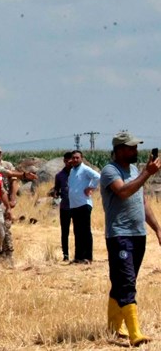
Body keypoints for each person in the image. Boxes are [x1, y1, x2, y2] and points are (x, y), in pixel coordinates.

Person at [100, 131, 161, 345]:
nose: (135, 150)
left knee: (123, 281)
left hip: (138, 235)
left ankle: (114, 327)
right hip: (119, 235)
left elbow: (141, 201)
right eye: (131, 148)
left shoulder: (134, 169)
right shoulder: (109, 171)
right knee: (126, 282)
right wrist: (146, 174)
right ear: (119, 150)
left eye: (136, 147)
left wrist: (157, 228)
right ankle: (135, 334)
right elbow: (123, 192)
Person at [0, 145, 38, 259]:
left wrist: (12, 198)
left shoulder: (6, 165)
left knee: (5, 226)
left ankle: (8, 252)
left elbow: (13, 180)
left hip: (4, 198)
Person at [68, 149, 101, 264]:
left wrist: (91, 187)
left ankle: (88, 257)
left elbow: (98, 176)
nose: (75, 160)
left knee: (85, 231)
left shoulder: (85, 169)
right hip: (74, 205)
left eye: (77, 158)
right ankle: (78, 257)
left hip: (84, 204)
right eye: (74, 158)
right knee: (77, 231)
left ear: (81, 158)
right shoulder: (72, 171)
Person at [50, 151, 75, 261]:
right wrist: (55, 194)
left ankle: (79, 253)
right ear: (64, 161)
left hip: (77, 206)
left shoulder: (77, 173)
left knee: (78, 231)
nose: (68, 162)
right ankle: (65, 254)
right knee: (65, 232)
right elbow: (56, 188)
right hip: (65, 207)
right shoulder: (59, 175)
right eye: (66, 160)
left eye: (70, 160)